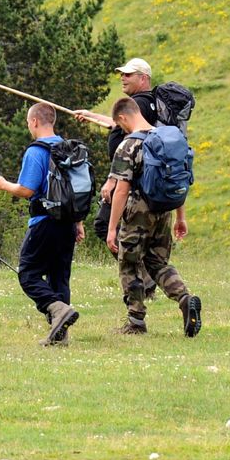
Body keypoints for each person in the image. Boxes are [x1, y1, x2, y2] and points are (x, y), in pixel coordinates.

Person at [107, 96, 201, 337]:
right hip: (165, 209)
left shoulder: (128, 145)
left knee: (129, 262)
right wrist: (181, 217)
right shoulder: (166, 139)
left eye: (120, 125)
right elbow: (179, 179)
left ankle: (136, 321)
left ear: (122, 118)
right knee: (158, 262)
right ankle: (184, 298)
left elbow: (121, 190)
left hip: (138, 208)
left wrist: (112, 228)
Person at [0, 102, 83, 347]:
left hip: (44, 221)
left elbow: (26, 189)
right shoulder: (68, 148)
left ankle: (57, 309)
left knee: (28, 273)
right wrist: (79, 222)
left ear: (34, 121)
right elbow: (77, 191)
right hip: (67, 223)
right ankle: (60, 336)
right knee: (59, 277)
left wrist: (3, 184)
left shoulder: (36, 151)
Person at [75, 57, 159, 293]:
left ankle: (142, 280)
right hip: (136, 177)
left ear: (144, 78)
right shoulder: (145, 103)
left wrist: (113, 180)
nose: (123, 77)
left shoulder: (139, 103)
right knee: (134, 231)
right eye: (122, 74)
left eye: (129, 74)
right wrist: (91, 115)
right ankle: (147, 279)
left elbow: (127, 131)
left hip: (128, 178)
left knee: (104, 226)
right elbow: (118, 125)